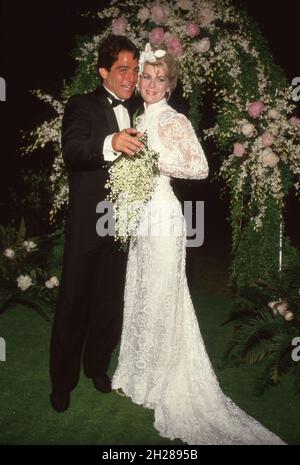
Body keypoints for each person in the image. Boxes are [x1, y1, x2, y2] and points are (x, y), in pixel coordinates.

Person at [112, 44, 285, 445]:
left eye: (160, 79)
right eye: (147, 78)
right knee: (140, 294)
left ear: (170, 85)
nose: (152, 85)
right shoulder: (137, 117)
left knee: (160, 295)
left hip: (164, 218)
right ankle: (137, 374)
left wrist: (155, 162)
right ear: (138, 81)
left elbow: (200, 166)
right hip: (142, 218)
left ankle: (159, 381)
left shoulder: (173, 120)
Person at [49, 35, 144, 412]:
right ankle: (62, 382)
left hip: (123, 224)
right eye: (123, 69)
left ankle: (97, 367)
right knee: (74, 302)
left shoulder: (141, 107)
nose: (131, 77)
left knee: (110, 301)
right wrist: (111, 142)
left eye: (135, 70)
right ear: (103, 70)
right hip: (90, 222)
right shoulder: (81, 105)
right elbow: (72, 150)